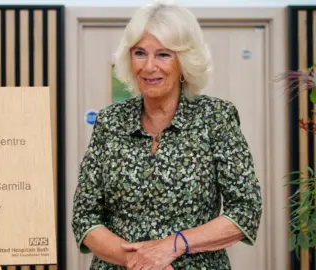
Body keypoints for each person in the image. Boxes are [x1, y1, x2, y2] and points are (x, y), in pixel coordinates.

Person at [71, 1, 263, 269]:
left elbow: (245, 211)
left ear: (184, 60)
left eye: (163, 55)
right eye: (140, 53)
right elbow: (85, 216)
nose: (149, 66)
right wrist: (137, 261)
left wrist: (170, 247)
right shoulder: (109, 122)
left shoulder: (216, 117)